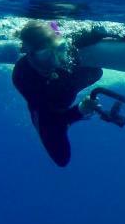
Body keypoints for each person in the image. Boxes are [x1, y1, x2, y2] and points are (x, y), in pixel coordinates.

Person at [11, 20, 108, 167]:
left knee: (96, 72)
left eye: (60, 48)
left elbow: (102, 31)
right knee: (61, 157)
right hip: (48, 107)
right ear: (27, 52)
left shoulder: (71, 43)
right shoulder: (23, 76)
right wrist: (79, 110)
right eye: (45, 55)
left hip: (70, 83)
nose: (55, 60)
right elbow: (51, 117)